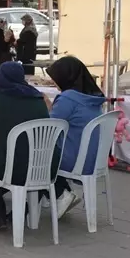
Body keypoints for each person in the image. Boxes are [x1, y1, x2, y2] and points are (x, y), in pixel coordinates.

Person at [0, 61, 55, 232]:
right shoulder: (38, 98)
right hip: (42, 167)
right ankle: (21, 211)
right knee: (3, 162)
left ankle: (0, 216)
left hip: (9, 166)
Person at [46, 56, 106, 217]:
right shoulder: (92, 97)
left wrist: (46, 105)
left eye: (55, 79)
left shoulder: (68, 98)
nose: (54, 83)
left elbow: (49, 127)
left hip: (72, 159)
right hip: (92, 158)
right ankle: (63, 192)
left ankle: (60, 194)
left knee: (36, 154)